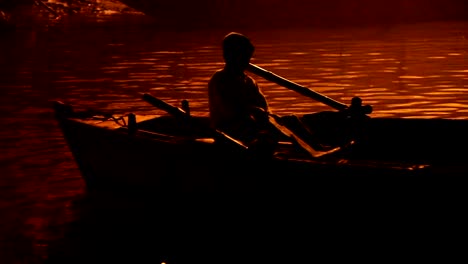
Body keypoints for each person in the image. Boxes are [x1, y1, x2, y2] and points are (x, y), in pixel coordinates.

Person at [208, 32, 277, 153]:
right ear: (228, 56)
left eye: (248, 57)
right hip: (226, 134)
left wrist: (269, 118)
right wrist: (253, 110)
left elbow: (264, 109)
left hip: (249, 131)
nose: (247, 61)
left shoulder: (249, 81)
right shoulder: (220, 79)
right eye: (243, 57)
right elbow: (230, 112)